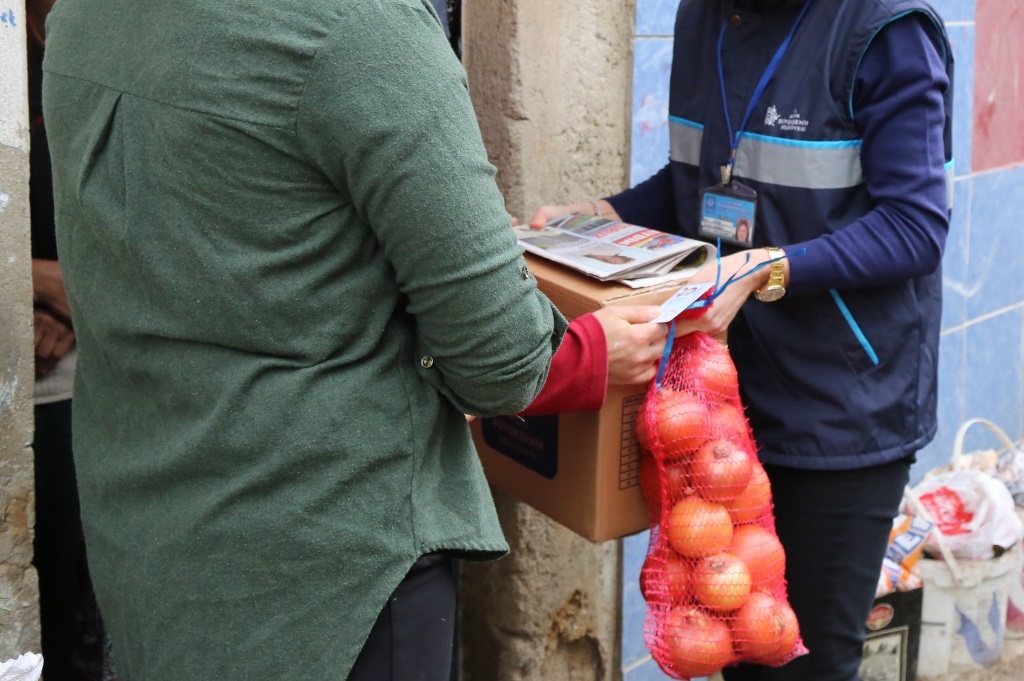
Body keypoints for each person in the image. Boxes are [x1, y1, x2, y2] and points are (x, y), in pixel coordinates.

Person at [41, 1, 668, 680]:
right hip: (327, 580)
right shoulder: (359, 30)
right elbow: (499, 360)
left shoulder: (83, 14)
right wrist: (587, 350)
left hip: (145, 551)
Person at [533, 1, 953, 679]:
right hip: (720, 398)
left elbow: (914, 225)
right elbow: (700, 186)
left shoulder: (886, 29)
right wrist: (605, 216)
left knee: (804, 657)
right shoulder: (703, 16)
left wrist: (773, 266)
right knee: (738, 644)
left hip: (840, 406)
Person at [26, 1, 115, 678]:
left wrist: (75, 296)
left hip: (121, 361)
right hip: (41, 380)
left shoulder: (128, 36)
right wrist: (24, 287)